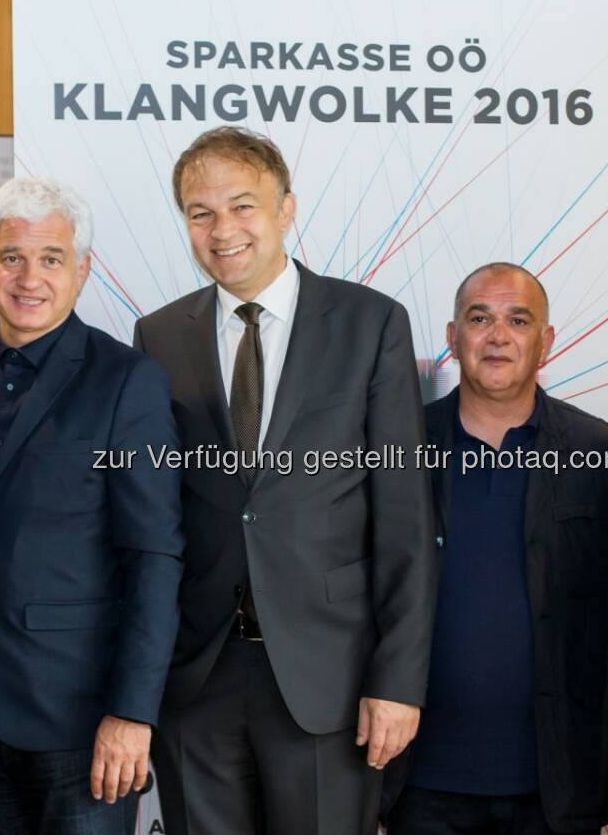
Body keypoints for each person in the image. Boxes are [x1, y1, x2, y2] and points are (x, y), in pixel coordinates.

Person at [132, 126, 437, 835]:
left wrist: (397, 682)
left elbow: (405, 519)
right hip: (197, 679)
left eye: (243, 206)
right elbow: (154, 516)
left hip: (330, 681)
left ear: (286, 209)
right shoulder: (159, 336)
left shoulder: (370, 324)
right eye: (201, 213)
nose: (222, 230)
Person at [0, 177, 183, 834]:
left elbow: (154, 556)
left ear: (83, 269)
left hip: (82, 721)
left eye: (51, 258)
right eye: (12, 256)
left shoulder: (128, 381)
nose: (29, 278)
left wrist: (132, 712)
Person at [381, 263, 608, 835]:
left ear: (546, 340)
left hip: (557, 784)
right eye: (479, 318)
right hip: (420, 781)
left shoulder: (600, 450)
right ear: (452, 336)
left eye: (518, 320)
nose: (497, 336)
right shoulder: (399, 448)